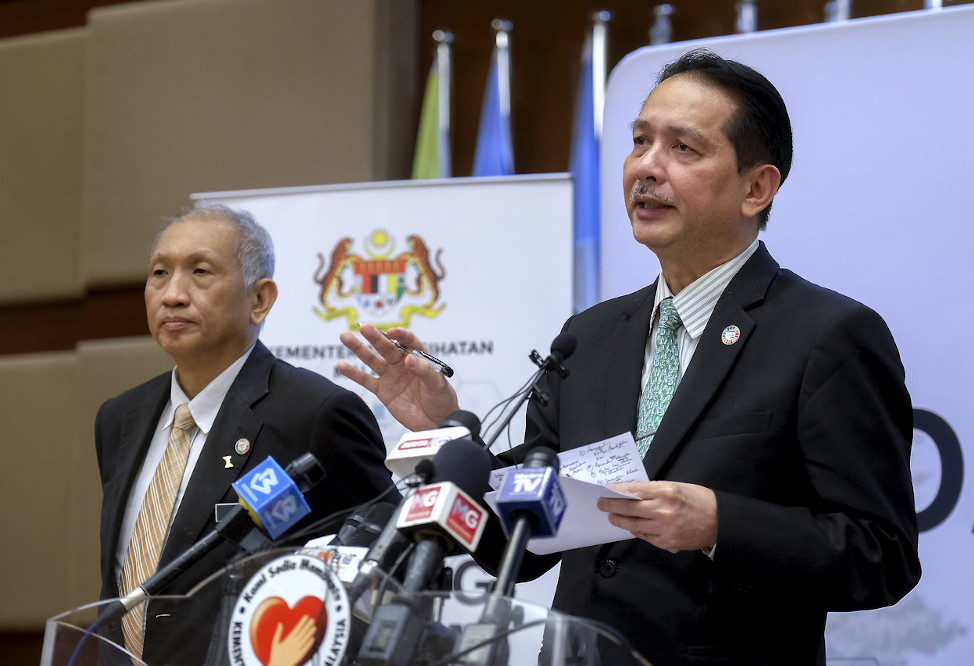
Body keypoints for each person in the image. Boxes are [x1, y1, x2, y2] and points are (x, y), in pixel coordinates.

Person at [337, 49, 920, 665]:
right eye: (640, 141)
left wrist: (722, 524)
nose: (647, 167)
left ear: (757, 187)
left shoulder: (826, 335)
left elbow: (881, 555)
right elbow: (525, 542)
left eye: (683, 149)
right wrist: (444, 434)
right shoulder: (589, 337)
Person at [95, 205, 397, 663]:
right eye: (159, 273)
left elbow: (388, 565)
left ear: (260, 299)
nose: (172, 294)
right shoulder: (120, 418)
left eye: (199, 271)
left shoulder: (316, 415)